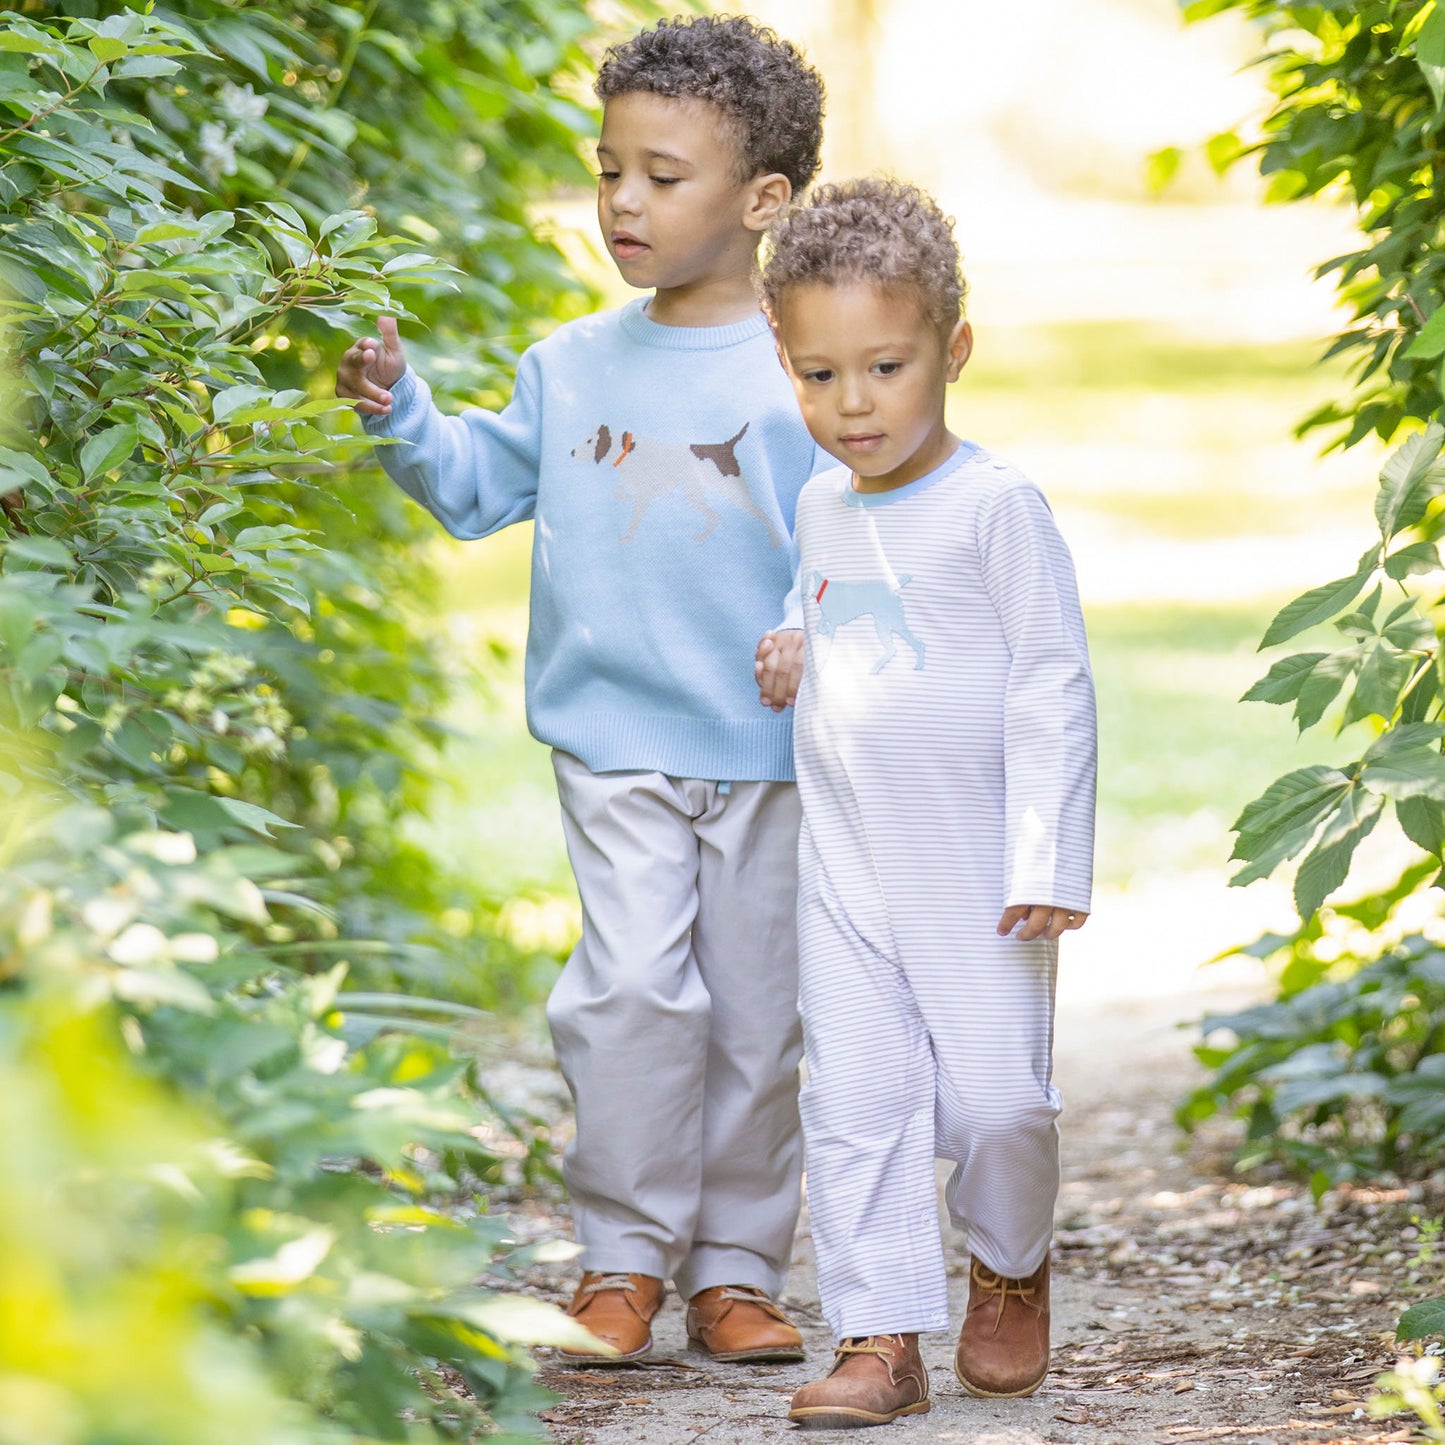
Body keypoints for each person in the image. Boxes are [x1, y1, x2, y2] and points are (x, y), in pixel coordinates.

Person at [335, 15, 826, 1367]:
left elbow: (856, 538)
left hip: (771, 748)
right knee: (625, 994)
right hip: (613, 738)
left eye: (662, 178)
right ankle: (621, 1257)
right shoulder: (571, 364)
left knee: (751, 1010)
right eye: (609, 168)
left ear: (762, 200)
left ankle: (733, 1268)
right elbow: (480, 486)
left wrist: (813, 640)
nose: (621, 201)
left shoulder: (806, 372)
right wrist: (400, 412)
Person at [754, 178, 1097, 1426]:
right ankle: (879, 1335)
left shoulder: (995, 508)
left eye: (883, 367)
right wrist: (789, 639)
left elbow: (1053, 680)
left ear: (951, 349)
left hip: (979, 873)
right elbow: (832, 602)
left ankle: (1007, 1260)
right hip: (847, 860)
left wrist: (1048, 853)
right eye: (817, 374)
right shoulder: (817, 502)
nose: (851, 405)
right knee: (855, 1101)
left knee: (998, 1100)